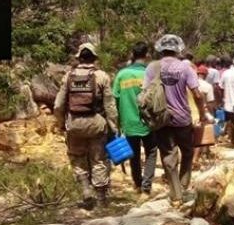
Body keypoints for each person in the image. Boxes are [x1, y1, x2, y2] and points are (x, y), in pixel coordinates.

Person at [144, 34, 211, 202]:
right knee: (188, 151)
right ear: (178, 49)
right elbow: (197, 94)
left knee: (168, 155)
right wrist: (202, 114)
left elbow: (145, 93)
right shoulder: (185, 68)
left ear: (161, 49)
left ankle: (175, 193)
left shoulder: (152, 68)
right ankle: (183, 184)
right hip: (182, 118)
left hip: (161, 119)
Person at [54, 43, 119, 210]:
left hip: (74, 125)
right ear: (94, 59)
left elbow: (58, 105)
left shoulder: (68, 76)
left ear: (79, 58)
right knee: (99, 160)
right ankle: (101, 199)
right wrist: (114, 125)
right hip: (97, 125)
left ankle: (85, 190)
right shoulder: (102, 76)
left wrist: (61, 124)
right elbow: (110, 105)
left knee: (77, 158)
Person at [112, 41, 158, 196]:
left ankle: (138, 184)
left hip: (129, 122)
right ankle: (146, 186)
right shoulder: (150, 74)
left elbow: (115, 99)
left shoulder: (122, 75)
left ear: (133, 54)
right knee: (151, 151)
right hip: (149, 123)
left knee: (134, 154)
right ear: (147, 55)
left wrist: (117, 124)